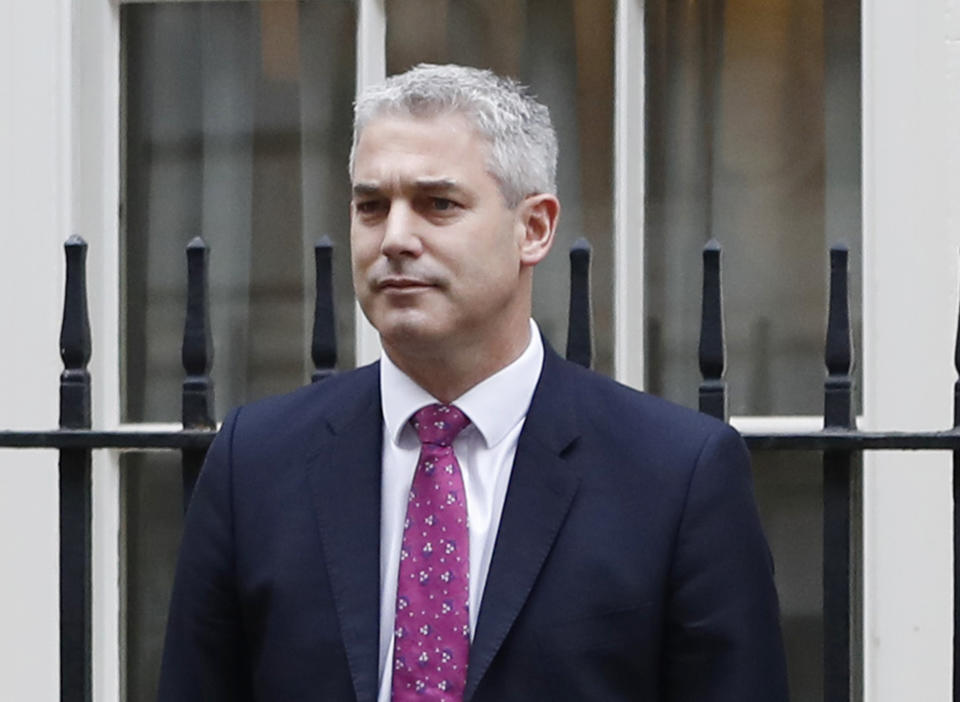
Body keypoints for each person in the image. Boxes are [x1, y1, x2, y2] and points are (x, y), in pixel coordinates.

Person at [158, 63, 788, 702]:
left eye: (438, 204)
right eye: (371, 206)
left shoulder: (676, 475)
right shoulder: (256, 461)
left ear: (534, 229)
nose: (396, 238)